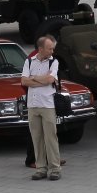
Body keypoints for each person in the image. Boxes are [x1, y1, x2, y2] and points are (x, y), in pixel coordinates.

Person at [20, 34, 62, 181]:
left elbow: (50, 79)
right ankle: (41, 168)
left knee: (51, 138)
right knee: (36, 138)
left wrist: (33, 78)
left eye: (52, 48)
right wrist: (41, 80)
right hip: (32, 105)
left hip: (47, 104)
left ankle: (55, 168)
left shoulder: (54, 62)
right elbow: (24, 81)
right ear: (41, 49)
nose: (52, 51)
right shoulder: (29, 61)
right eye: (49, 48)